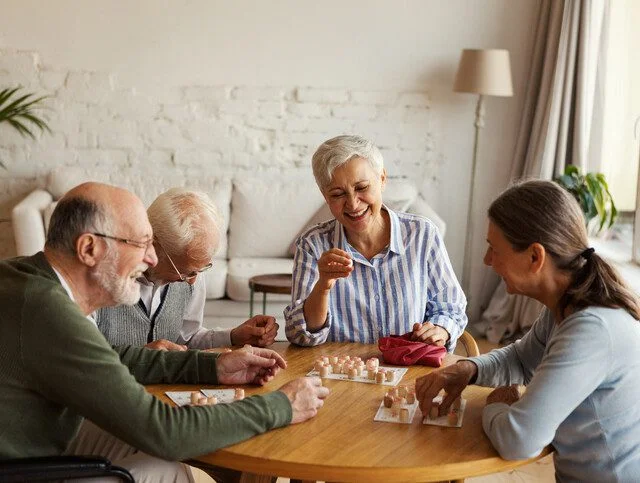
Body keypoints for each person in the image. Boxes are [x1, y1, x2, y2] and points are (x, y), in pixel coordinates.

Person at [0, 182, 329, 482]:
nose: (151, 258)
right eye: (141, 244)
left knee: (168, 456)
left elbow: (111, 357)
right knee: (165, 468)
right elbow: (164, 431)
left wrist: (210, 365)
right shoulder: (50, 311)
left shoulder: (26, 279)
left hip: (43, 435)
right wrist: (281, 405)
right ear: (89, 249)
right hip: (23, 469)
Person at [415, 180, 640, 481]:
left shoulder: (591, 330)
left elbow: (518, 440)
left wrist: (495, 405)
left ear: (535, 257)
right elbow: (521, 360)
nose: (487, 260)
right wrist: (468, 369)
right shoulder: (565, 306)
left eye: (494, 249)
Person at [285, 134, 467, 351]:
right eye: (338, 194)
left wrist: (440, 329)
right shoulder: (312, 244)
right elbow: (300, 334)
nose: (353, 204)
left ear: (382, 179)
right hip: (340, 377)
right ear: (325, 196)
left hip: (409, 372)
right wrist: (323, 286)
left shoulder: (423, 234)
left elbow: (451, 308)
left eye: (361, 188)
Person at [95, 187, 278, 351]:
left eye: (201, 269)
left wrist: (233, 336)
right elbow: (81, 359)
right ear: (154, 245)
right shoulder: (101, 278)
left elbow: (187, 338)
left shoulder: (192, 271)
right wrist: (143, 356)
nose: (192, 281)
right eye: (185, 272)